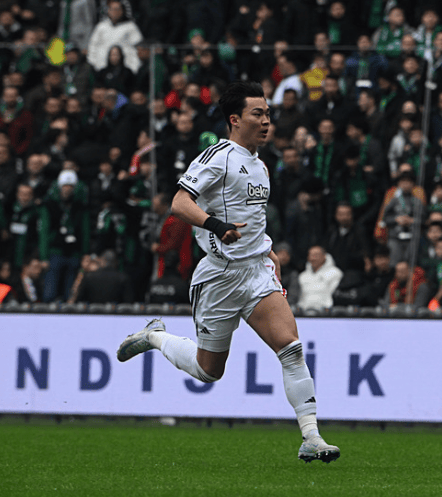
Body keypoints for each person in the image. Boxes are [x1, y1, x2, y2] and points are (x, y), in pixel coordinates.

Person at [116, 81, 339, 463]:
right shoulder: (217, 157)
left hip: (255, 271)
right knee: (209, 372)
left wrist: (269, 251)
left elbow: (254, 218)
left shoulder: (261, 165)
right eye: (258, 113)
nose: (266, 121)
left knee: (291, 348)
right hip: (219, 276)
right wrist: (215, 225)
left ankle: (311, 437)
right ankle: (154, 337)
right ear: (235, 119)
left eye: (268, 113)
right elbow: (179, 203)